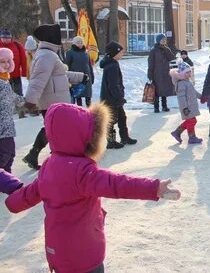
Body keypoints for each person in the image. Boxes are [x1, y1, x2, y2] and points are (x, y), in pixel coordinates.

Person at [5, 102, 181, 273]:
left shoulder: (49, 165)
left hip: (57, 251)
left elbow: (29, 194)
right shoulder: (81, 171)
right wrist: (153, 188)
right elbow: (117, 184)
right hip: (84, 255)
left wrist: (13, 202)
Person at [22, 24, 86, 170]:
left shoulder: (47, 54)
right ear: (52, 38)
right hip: (52, 102)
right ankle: (51, 158)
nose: (61, 40)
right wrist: (30, 101)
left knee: (52, 129)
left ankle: (39, 155)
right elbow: (38, 80)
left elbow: (60, 75)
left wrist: (81, 77)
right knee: (53, 130)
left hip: (53, 100)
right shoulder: (47, 55)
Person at [99, 41, 137, 149]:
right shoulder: (111, 66)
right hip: (111, 98)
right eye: (120, 52)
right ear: (114, 53)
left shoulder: (113, 63)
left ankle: (124, 137)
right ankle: (111, 141)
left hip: (114, 98)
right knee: (111, 120)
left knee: (122, 118)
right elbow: (113, 85)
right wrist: (119, 97)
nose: (122, 54)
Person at [0, 48, 25, 173]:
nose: (6, 64)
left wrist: (27, 101)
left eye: (8, 61)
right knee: (5, 156)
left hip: (7, 125)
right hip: (2, 127)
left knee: (9, 155)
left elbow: (12, 97)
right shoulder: (1, 82)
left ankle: (6, 181)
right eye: (2, 62)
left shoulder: (5, 80)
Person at [169, 59, 203, 144]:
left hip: (191, 106)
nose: (189, 74)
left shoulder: (187, 82)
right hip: (187, 107)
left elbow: (193, 92)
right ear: (182, 74)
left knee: (191, 121)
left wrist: (201, 97)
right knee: (192, 121)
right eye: (187, 72)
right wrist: (185, 108)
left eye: (189, 72)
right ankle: (190, 137)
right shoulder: (181, 84)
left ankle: (178, 133)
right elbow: (181, 98)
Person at [0, 29, 27, 118]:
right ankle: (7, 111)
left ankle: (20, 112)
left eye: (8, 38)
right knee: (5, 94)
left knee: (18, 92)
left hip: (16, 74)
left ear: (11, 38)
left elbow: (23, 59)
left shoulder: (17, 46)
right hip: (2, 76)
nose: (6, 40)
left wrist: (24, 71)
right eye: (4, 38)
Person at [147, 33, 175, 113]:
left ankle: (164, 106)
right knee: (156, 91)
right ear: (158, 40)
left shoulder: (166, 49)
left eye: (165, 40)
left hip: (165, 73)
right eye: (162, 40)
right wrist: (150, 74)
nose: (164, 41)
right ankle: (156, 107)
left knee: (164, 90)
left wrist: (166, 49)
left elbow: (171, 58)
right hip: (157, 74)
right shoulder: (153, 51)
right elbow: (150, 63)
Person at [64, 35, 95, 107]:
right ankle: (79, 109)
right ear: (74, 43)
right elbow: (66, 65)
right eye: (78, 42)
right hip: (76, 78)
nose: (80, 44)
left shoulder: (86, 53)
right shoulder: (70, 53)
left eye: (81, 42)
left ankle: (89, 110)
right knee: (78, 95)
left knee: (88, 95)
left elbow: (89, 66)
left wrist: (92, 77)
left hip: (87, 77)